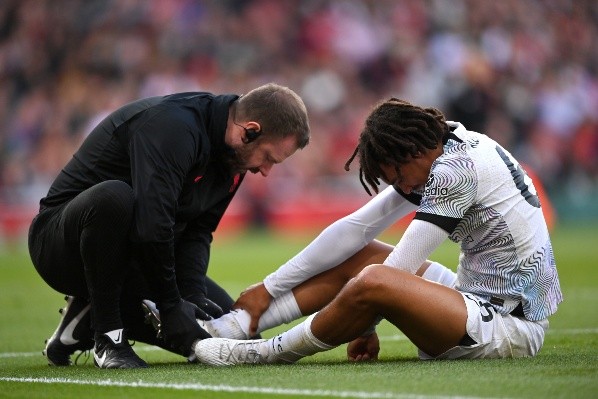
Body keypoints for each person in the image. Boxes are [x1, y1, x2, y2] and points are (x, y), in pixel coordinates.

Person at [190, 97, 562, 366]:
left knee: (375, 279)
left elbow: (395, 272)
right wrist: (268, 288)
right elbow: (355, 229)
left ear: (412, 153)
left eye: (398, 177)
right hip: (474, 299)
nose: (401, 187)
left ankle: (265, 352)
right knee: (364, 257)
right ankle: (234, 326)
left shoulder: (455, 172)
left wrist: (365, 318)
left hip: (507, 328)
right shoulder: (446, 145)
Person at [27, 83, 311, 369]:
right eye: (268, 158)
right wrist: (171, 305)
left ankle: (84, 320)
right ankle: (108, 335)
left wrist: (192, 297)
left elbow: (198, 232)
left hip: (134, 254)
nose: (265, 171)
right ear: (249, 130)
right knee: (115, 198)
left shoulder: (233, 157)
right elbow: (153, 226)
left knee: (239, 340)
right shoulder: (174, 128)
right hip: (60, 246)